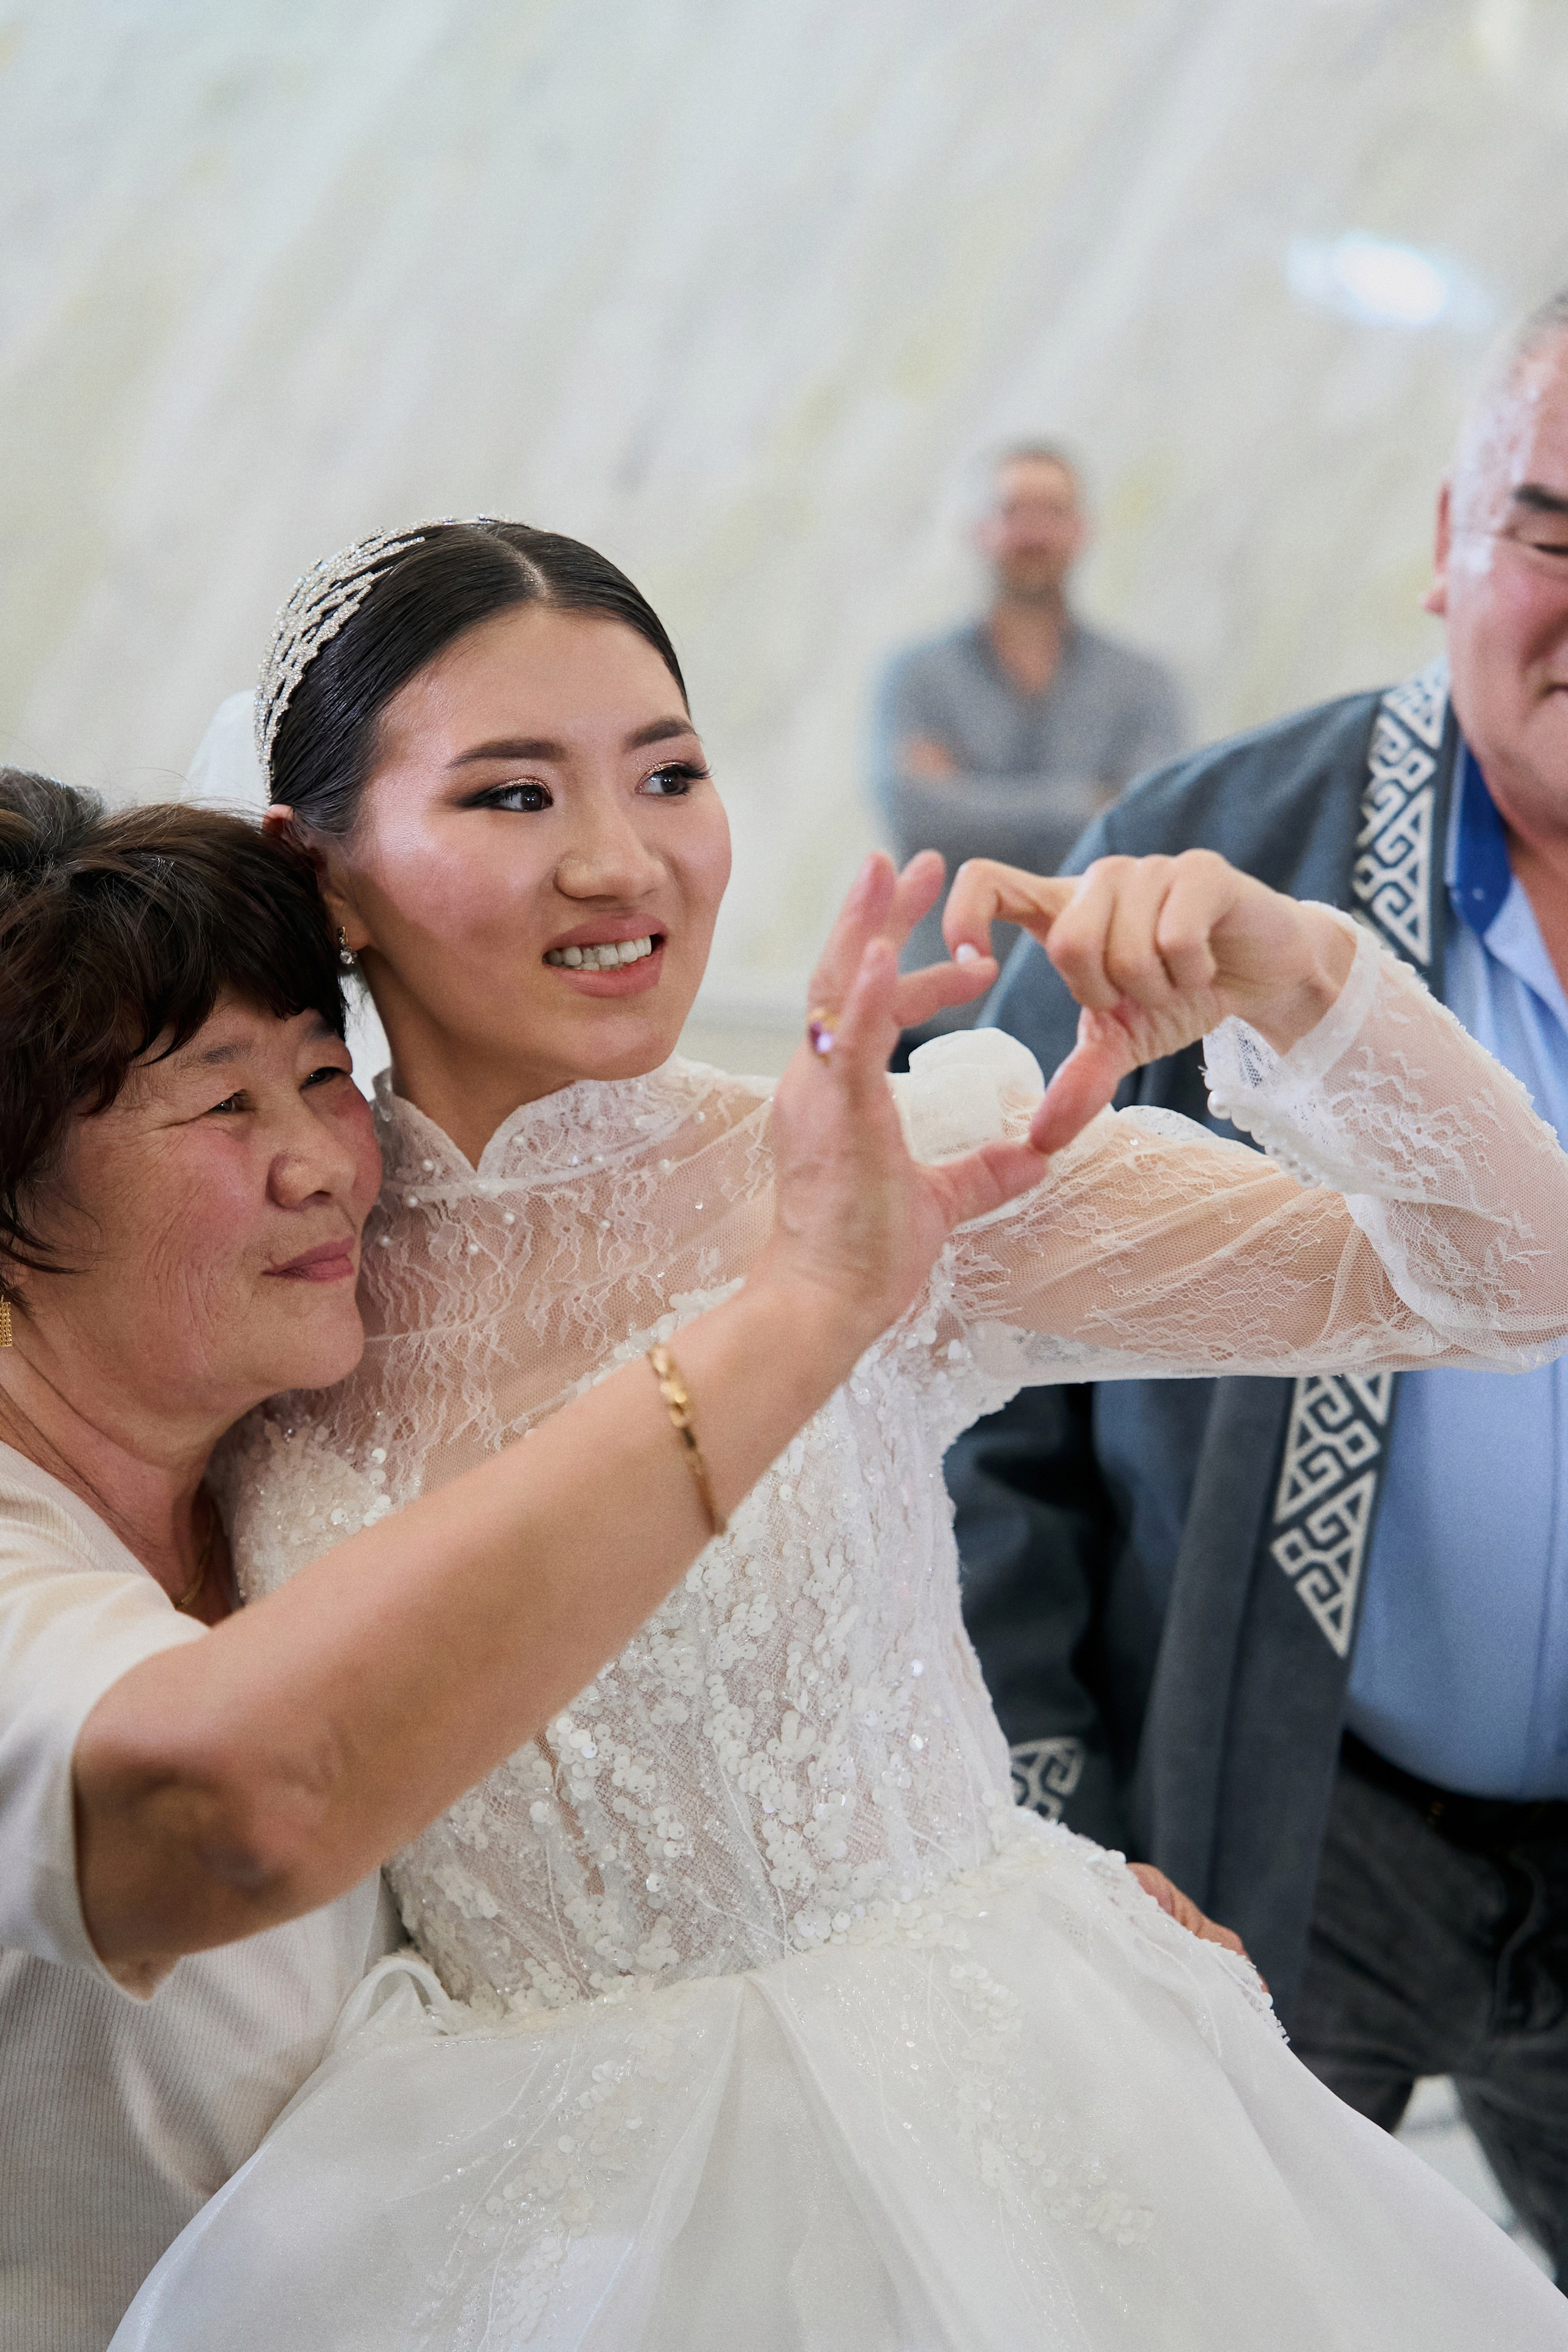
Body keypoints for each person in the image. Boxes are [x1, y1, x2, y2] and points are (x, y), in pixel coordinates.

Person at [114, 519, 1568, 2349]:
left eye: (669, 772)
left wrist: (1294, 976)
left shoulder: (879, 1173)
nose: (617, 857)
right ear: (313, 865)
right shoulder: (270, 1275)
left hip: (988, 2134)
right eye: (507, 793)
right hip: (495, 2210)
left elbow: (1511, 1275)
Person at [0, 772, 1057, 2350]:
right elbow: (239, 1798)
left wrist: (992, 1920)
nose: (324, 1165)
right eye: (224, 1104)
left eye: (319, 1074)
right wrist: (800, 1308)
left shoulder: (286, 1465)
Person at [946, 282, 1568, 2279]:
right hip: (1290, 1805)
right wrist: (1054, 1825)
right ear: (1445, 542)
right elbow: (974, 1401)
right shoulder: (1203, 867)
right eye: (1556, 530)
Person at [869, 441, 1185, 1008]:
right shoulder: (916, 676)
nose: (1033, 532)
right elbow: (916, 815)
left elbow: (1147, 825)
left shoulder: (1144, 683)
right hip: (941, 1005)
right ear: (977, 529)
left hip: (1094, 1004)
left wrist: (969, 803)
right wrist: (1090, 801)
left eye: (1053, 512)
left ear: (1081, 530)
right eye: (1013, 511)